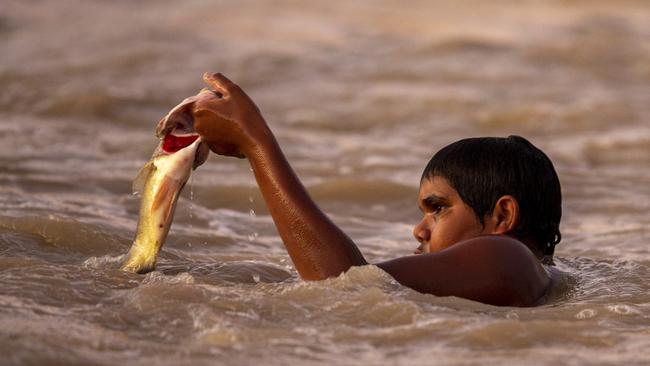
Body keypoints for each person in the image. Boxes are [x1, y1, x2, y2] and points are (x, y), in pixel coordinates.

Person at [191, 72, 562, 307]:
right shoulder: (539, 274)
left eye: (438, 208)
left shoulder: (507, 256)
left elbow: (343, 286)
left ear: (502, 216)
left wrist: (255, 141)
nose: (419, 230)